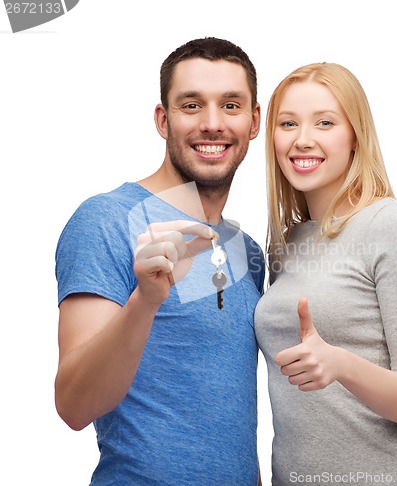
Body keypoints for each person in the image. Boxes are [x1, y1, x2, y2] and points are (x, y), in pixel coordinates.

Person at [55, 37, 265, 485]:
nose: (212, 124)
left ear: (254, 121)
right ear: (162, 120)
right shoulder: (107, 219)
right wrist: (145, 300)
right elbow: (73, 405)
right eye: (191, 106)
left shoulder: (249, 253)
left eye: (231, 106)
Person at [255, 63, 397, 485]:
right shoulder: (286, 244)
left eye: (325, 122)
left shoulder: (390, 225)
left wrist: (342, 364)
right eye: (288, 123)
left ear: (355, 135)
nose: (303, 139)